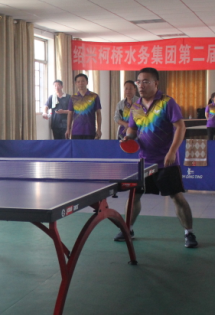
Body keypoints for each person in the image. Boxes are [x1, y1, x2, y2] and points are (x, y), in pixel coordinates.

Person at [117, 67, 198, 249]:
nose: (141, 85)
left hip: (166, 160)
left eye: (146, 81)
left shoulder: (167, 102)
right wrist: (128, 138)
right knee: (134, 196)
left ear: (156, 83)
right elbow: (132, 129)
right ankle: (127, 229)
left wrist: (172, 151)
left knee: (176, 197)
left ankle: (189, 233)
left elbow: (180, 127)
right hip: (144, 161)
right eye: (139, 82)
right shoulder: (136, 106)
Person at [66, 73, 102, 140]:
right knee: (76, 147)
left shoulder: (94, 96)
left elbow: (98, 113)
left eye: (83, 81)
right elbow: (70, 114)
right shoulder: (73, 97)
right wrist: (68, 129)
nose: (80, 83)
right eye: (78, 81)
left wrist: (99, 129)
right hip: (76, 131)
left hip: (90, 130)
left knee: (90, 147)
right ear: (76, 83)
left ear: (87, 82)